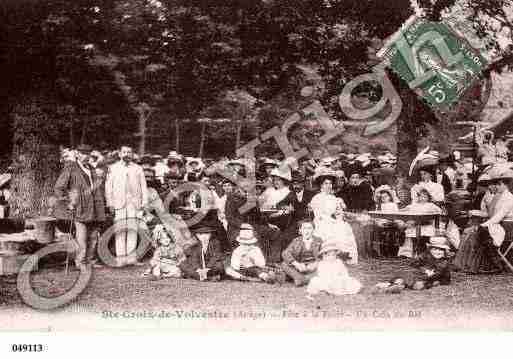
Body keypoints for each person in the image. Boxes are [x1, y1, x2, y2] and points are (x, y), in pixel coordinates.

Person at [54, 144, 106, 270]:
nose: (86, 156)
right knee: (81, 237)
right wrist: (69, 202)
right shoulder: (70, 168)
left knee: (93, 235)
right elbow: (59, 187)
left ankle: (90, 259)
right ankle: (81, 262)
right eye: (83, 153)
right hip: (80, 207)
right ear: (77, 154)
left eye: (88, 154)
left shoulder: (91, 169)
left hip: (95, 206)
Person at [105, 146, 148, 266]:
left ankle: (131, 258)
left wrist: (144, 202)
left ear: (132, 154)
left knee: (133, 230)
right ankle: (120, 258)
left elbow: (143, 187)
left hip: (134, 204)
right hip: (119, 203)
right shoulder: (113, 168)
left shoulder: (138, 168)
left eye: (129, 152)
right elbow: (108, 188)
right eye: (124, 152)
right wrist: (110, 203)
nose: (126, 154)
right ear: (119, 154)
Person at [309, 169, 358, 264]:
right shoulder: (317, 198)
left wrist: (339, 216)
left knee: (344, 227)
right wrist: (331, 220)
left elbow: (337, 212)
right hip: (321, 221)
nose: (328, 186)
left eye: (330, 184)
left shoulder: (334, 198)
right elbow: (318, 215)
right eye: (326, 184)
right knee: (331, 228)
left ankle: (343, 253)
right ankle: (331, 253)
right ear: (321, 185)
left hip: (332, 220)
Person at [373, 236, 451, 293]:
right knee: (407, 275)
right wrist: (424, 270)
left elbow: (436, 275)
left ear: (445, 252)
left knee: (418, 285)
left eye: (441, 250)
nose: (437, 252)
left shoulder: (443, 262)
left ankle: (397, 287)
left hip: (434, 279)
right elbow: (413, 263)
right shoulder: (426, 255)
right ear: (430, 249)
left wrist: (427, 273)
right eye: (435, 249)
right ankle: (391, 285)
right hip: (423, 274)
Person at [397, 188, 442, 258]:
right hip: (415, 225)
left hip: (425, 225)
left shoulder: (430, 205)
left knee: (422, 238)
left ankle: (421, 254)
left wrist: (430, 213)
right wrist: (401, 210)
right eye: (420, 196)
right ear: (418, 197)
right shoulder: (415, 205)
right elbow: (407, 209)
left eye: (425, 197)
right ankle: (412, 253)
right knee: (411, 235)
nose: (422, 198)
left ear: (428, 198)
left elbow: (439, 211)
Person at [281, 220, 323, 286]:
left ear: (313, 230)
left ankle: (304, 279)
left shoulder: (319, 241)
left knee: (325, 266)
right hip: (300, 267)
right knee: (284, 264)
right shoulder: (296, 241)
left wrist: (316, 263)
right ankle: (300, 278)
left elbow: (325, 254)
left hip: (313, 268)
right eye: (304, 228)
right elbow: (285, 253)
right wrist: (296, 264)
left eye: (309, 228)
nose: (307, 231)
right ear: (300, 230)